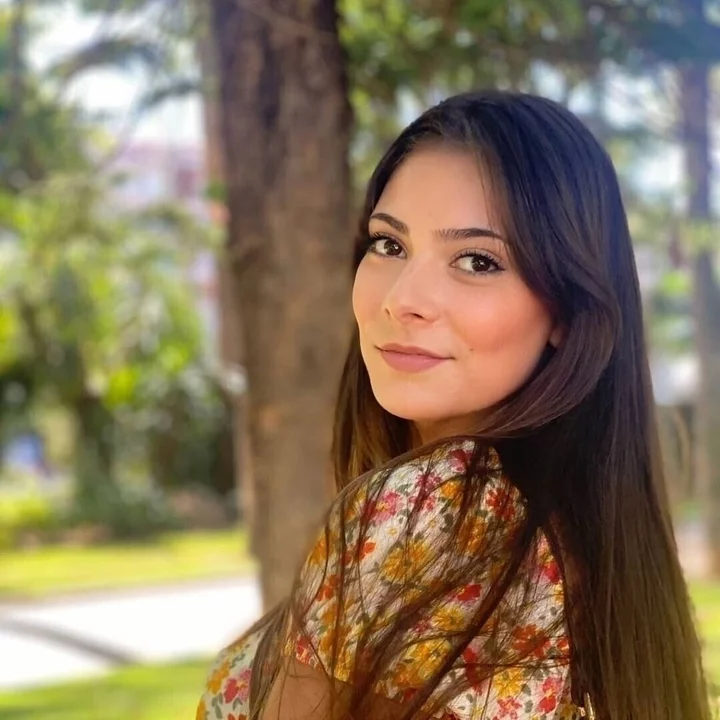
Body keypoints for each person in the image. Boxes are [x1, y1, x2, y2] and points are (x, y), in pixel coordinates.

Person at [196, 91, 713, 720]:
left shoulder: (431, 504)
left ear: (565, 309)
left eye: (476, 260)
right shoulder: (595, 542)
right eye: (389, 245)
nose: (402, 299)